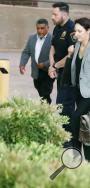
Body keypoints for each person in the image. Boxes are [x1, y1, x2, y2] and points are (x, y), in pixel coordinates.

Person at [48, 2, 75, 147]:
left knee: (66, 106)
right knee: (61, 105)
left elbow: (71, 55)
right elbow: (52, 47)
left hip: (69, 75)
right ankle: (65, 136)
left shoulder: (72, 29)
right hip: (60, 73)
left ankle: (69, 140)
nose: (52, 17)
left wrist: (55, 66)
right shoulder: (57, 28)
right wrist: (52, 65)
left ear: (64, 14)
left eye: (55, 14)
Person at [19, 18, 54, 104]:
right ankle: (46, 104)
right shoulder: (32, 38)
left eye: (42, 28)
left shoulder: (53, 39)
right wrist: (22, 64)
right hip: (36, 70)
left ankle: (46, 108)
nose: (39, 31)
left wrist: (45, 64)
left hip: (48, 71)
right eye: (38, 28)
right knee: (39, 89)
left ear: (47, 28)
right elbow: (26, 52)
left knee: (45, 92)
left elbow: (56, 56)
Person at [70, 17, 90, 161]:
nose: (76, 34)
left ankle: (76, 155)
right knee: (85, 123)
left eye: (80, 31)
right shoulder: (77, 45)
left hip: (89, 93)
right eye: (75, 31)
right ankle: (87, 158)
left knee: (76, 118)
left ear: (89, 31)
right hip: (78, 90)